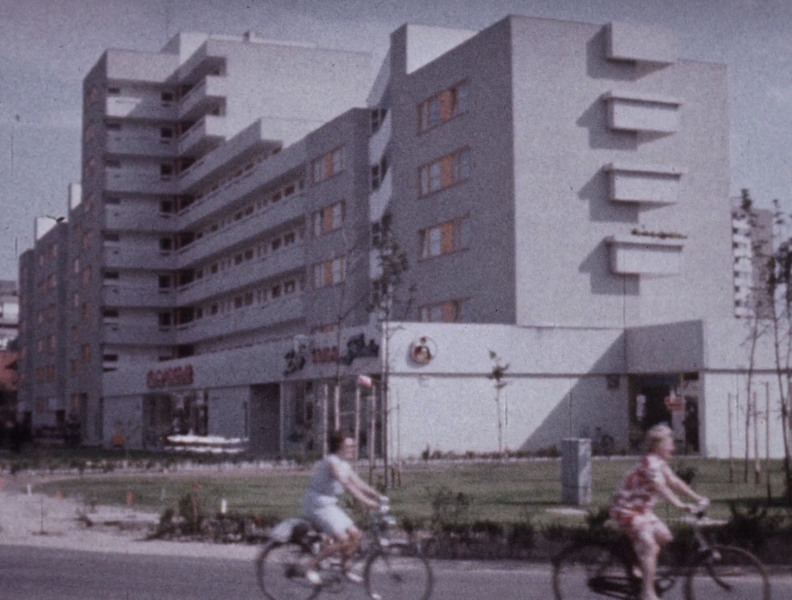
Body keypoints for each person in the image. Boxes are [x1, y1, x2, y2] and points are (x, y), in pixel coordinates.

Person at [610, 423, 708, 600]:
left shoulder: (659, 462)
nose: (673, 447)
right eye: (669, 442)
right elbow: (661, 487)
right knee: (650, 546)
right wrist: (680, 505)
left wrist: (697, 497)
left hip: (642, 510)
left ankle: (641, 566)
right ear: (658, 445)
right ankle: (647, 592)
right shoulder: (650, 462)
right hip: (626, 509)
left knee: (665, 537)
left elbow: (674, 482)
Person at [302, 429, 384, 585]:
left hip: (329, 505)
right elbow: (346, 484)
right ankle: (310, 567)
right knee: (343, 540)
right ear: (339, 446)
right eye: (350, 446)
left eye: (354, 446)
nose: (353, 449)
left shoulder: (344, 464)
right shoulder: (331, 461)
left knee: (355, 534)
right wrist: (367, 502)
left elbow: (358, 482)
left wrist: (378, 496)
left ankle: (346, 569)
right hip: (316, 504)